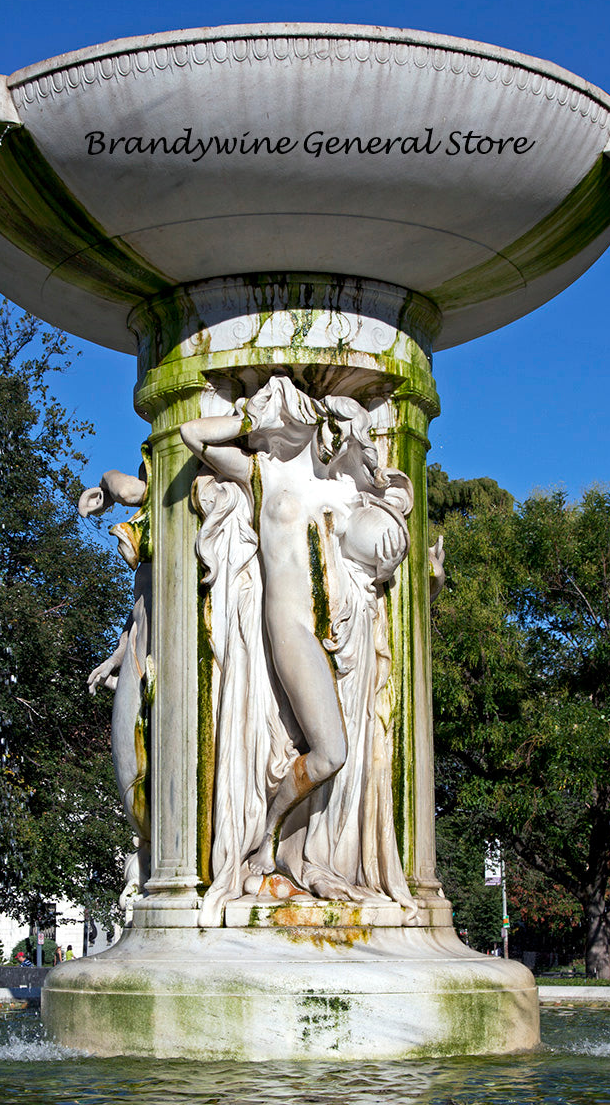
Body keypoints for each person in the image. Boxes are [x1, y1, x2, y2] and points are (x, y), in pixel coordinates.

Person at [181, 375, 417, 925]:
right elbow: (193, 435)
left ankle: (293, 849)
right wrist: (251, 422)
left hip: (339, 636)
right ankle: (262, 835)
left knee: (339, 754)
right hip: (291, 631)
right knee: (331, 752)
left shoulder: (345, 494)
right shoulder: (266, 473)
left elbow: (388, 538)